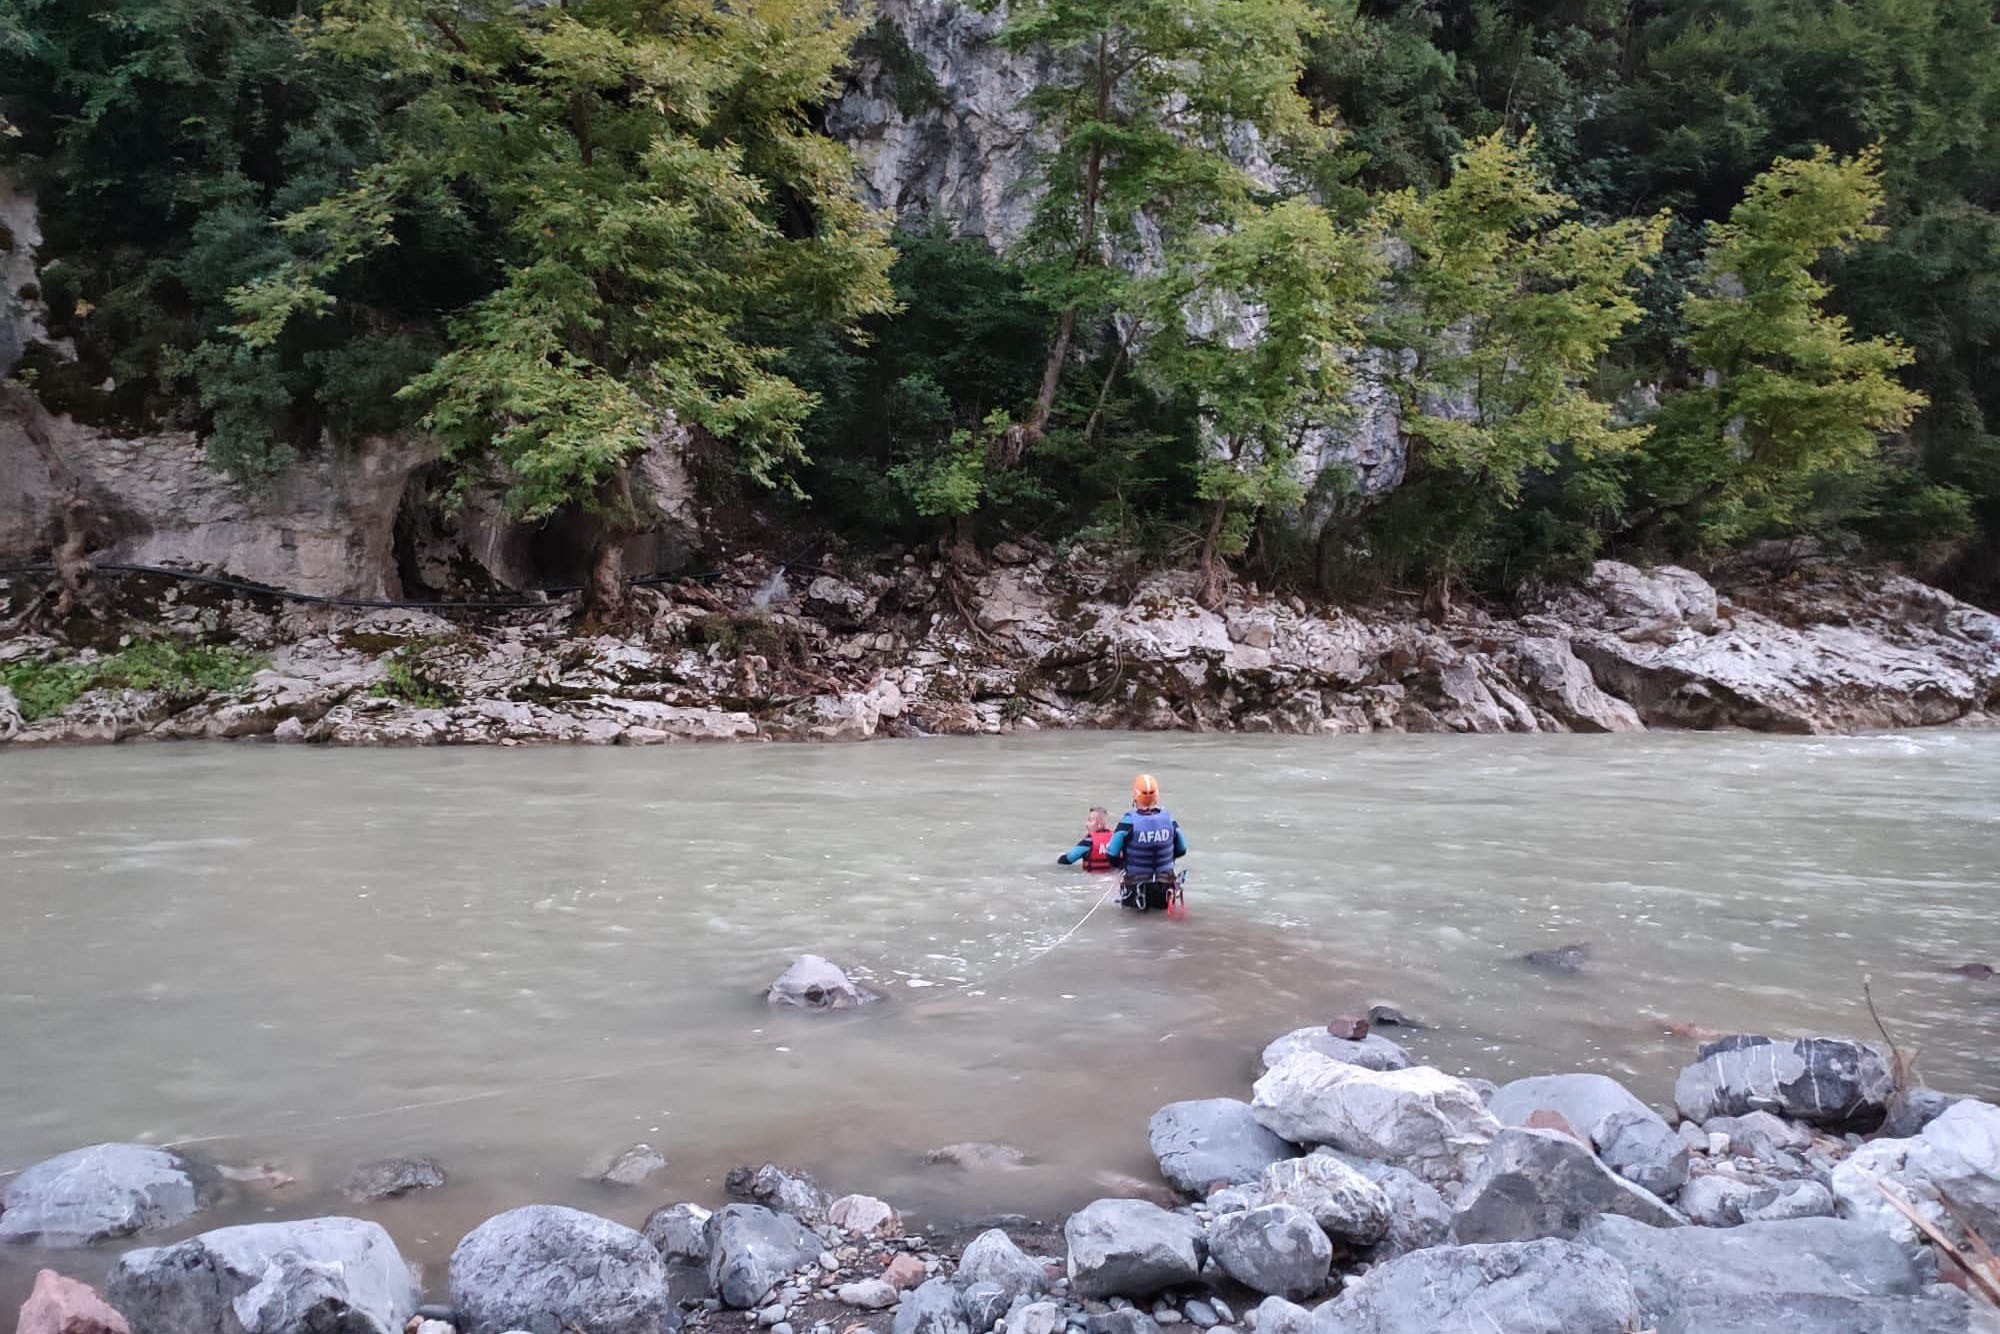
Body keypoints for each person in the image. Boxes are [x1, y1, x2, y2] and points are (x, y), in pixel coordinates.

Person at [1106, 773, 1187, 912]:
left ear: (1135, 796)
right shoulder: (1169, 819)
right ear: (1157, 796)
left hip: (1136, 886)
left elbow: (1112, 854)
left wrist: (1124, 865)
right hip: (1165, 886)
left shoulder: (1128, 821)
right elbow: (1182, 849)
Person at [1056, 807, 1118, 872]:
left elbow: (1068, 859)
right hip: (1112, 878)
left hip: (1092, 879)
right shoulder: (1115, 837)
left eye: (1090, 821)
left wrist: (1060, 857)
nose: (1086, 824)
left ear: (1099, 825)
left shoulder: (1088, 841)